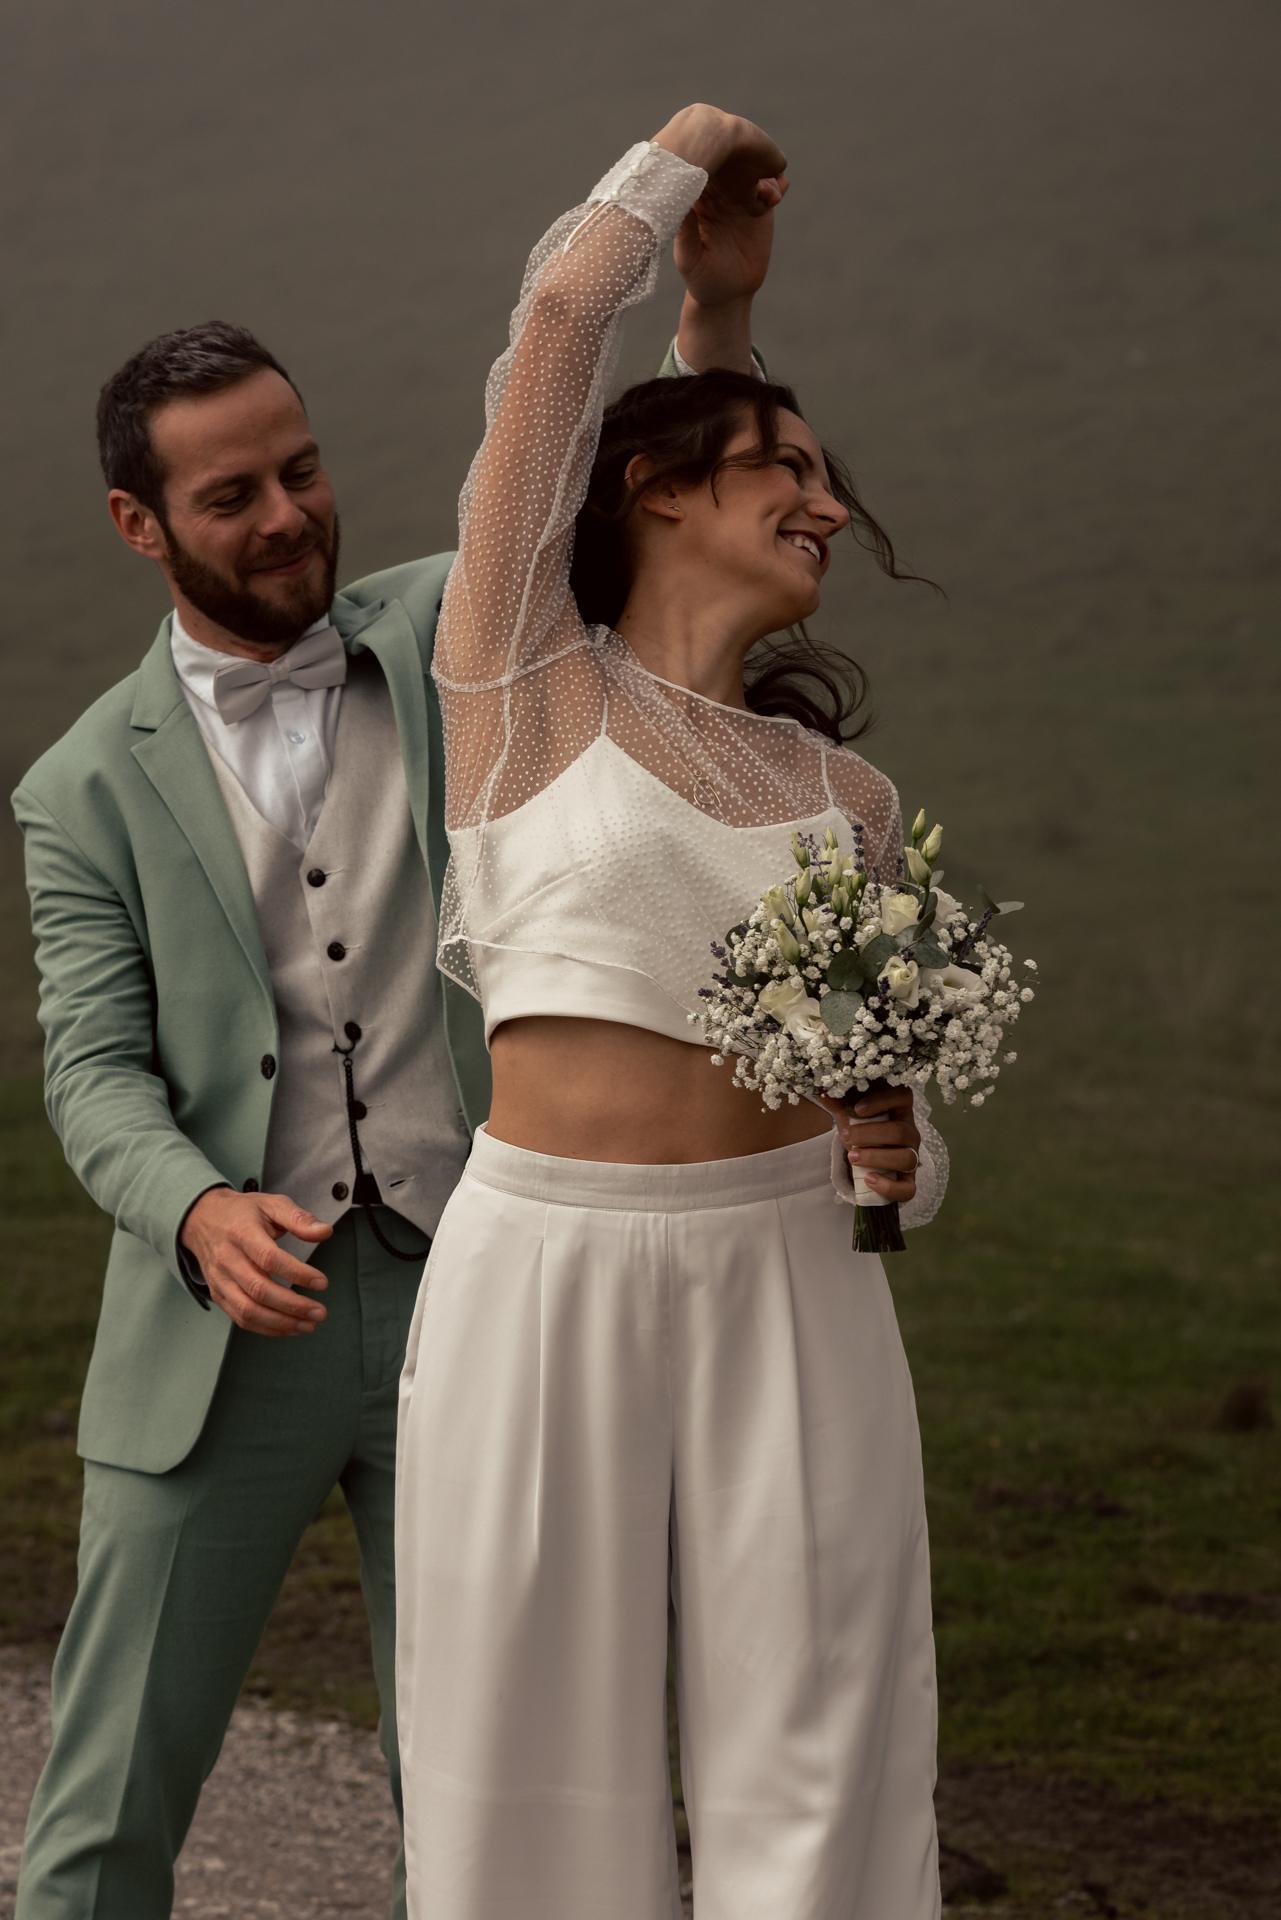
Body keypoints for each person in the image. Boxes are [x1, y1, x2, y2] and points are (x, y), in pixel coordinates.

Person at [9, 265, 735, 1914]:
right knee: (109, 1802)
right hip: (219, 1340)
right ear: (139, 524)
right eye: (232, 497)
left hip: (478, 1297)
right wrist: (195, 1207)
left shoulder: (447, 631)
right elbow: (95, 1068)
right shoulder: (78, 788)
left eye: (302, 469)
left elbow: (649, 494)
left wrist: (711, 313)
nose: (287, 516)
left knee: (486, 1793)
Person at [395, 104, 944, 1920]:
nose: (828, 506)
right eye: (782, 468)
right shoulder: (521, 683)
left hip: (793, 1272)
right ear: (652, 488)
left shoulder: (844, 801)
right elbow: (560, 331)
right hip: (542, 1266)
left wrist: (898, 1150)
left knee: (824, 1734)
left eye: (823, 478)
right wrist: (685, 165)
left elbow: (896, 1122)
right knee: (521, 1743)